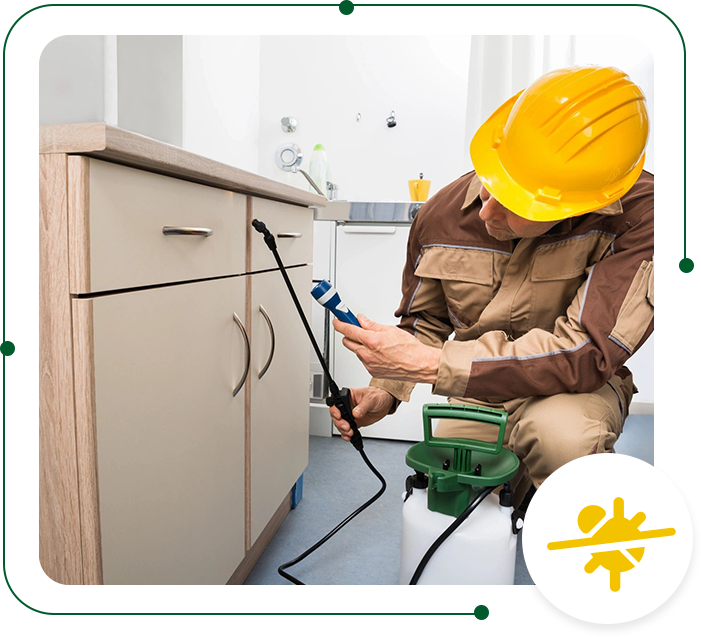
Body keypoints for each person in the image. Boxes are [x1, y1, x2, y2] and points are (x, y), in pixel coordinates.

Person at [329, 66, 655, 508]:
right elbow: (426, 321)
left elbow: (586, 352)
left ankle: (568, 539)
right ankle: (517, 498)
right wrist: (384, 391)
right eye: (491, 181)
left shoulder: (643, 218)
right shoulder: (441, 213)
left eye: (516, 202)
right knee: (453, 484)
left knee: (562, 440)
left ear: (581, 203)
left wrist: (429, 365)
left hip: (574, 391)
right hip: (479, 395)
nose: (485, 212)